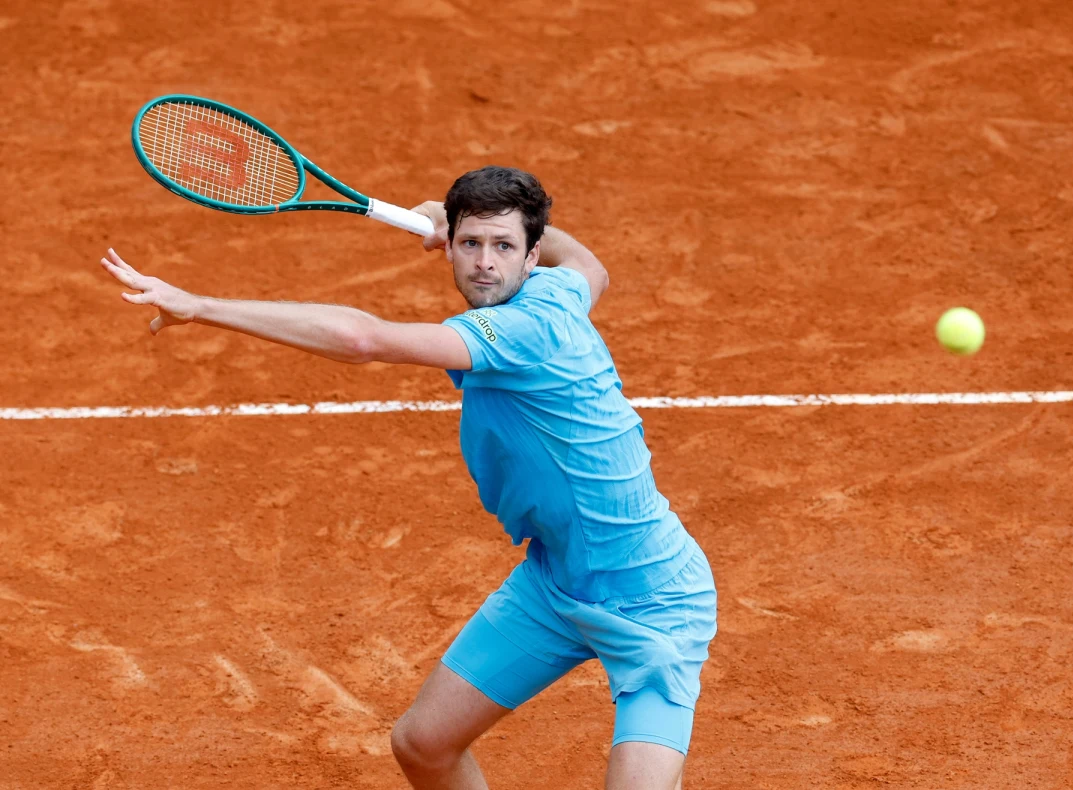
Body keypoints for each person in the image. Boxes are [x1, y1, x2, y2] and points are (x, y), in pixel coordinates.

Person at [101, 165, 717, 790]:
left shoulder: (523, 330)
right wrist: (489, 228)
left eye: (504, 247)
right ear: (449, 245)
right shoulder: (559, 289)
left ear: (531, 257)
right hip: (556, 585)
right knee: (423, 745)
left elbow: (364, 339)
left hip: (654, 605)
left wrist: (199, 306)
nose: (484, 263)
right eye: (471, 244)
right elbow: (591, 264)